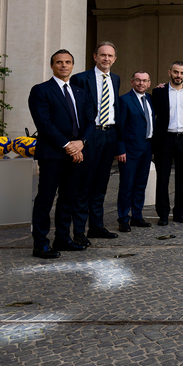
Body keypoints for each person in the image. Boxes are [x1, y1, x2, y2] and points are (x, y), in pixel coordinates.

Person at [28, 49, 95, 258]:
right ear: (52, 66)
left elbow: (90, 122)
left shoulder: (80, 92)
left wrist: (81, 143)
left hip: (76, 154)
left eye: (67, 62)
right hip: (52, 155)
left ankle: (63, 239)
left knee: (68, 199)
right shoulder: (41, 90)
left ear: (73, 66)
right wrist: (68, 146)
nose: (64, 65)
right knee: (45, 199)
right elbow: (44, 124)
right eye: (59, 62)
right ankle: (40, 244)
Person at [69, 41, 121, 245]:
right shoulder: (80, 79)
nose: (106, 59)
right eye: (102, 55)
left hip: (110, 135)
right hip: (90, 136)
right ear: (95, 57)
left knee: (101, 183)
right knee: (85, 183)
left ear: (114, 59)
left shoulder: (115, 79)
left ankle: (96, 226)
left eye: (110, 56)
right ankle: (79, 230)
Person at [152, 61, 183, 226]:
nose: (179, 76)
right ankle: (163, 214)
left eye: (182, 73)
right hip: (165, 139)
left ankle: (180, 213)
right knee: (162, 178)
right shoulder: (158, 91)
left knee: (182, 178)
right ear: (169, 72)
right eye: (176, 72)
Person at [114, 71, 155, 232]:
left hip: (146, 147)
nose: (141, 83)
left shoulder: (150, 99)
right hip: (129, 150)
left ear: (149, 83)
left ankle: (137, 216)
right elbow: (120, 127)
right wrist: (120, 149)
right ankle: (123, 218)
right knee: (127, 185)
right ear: (132, 82)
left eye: (144, 80)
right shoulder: (124, 100)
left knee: (140, 184)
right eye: (138, 80)